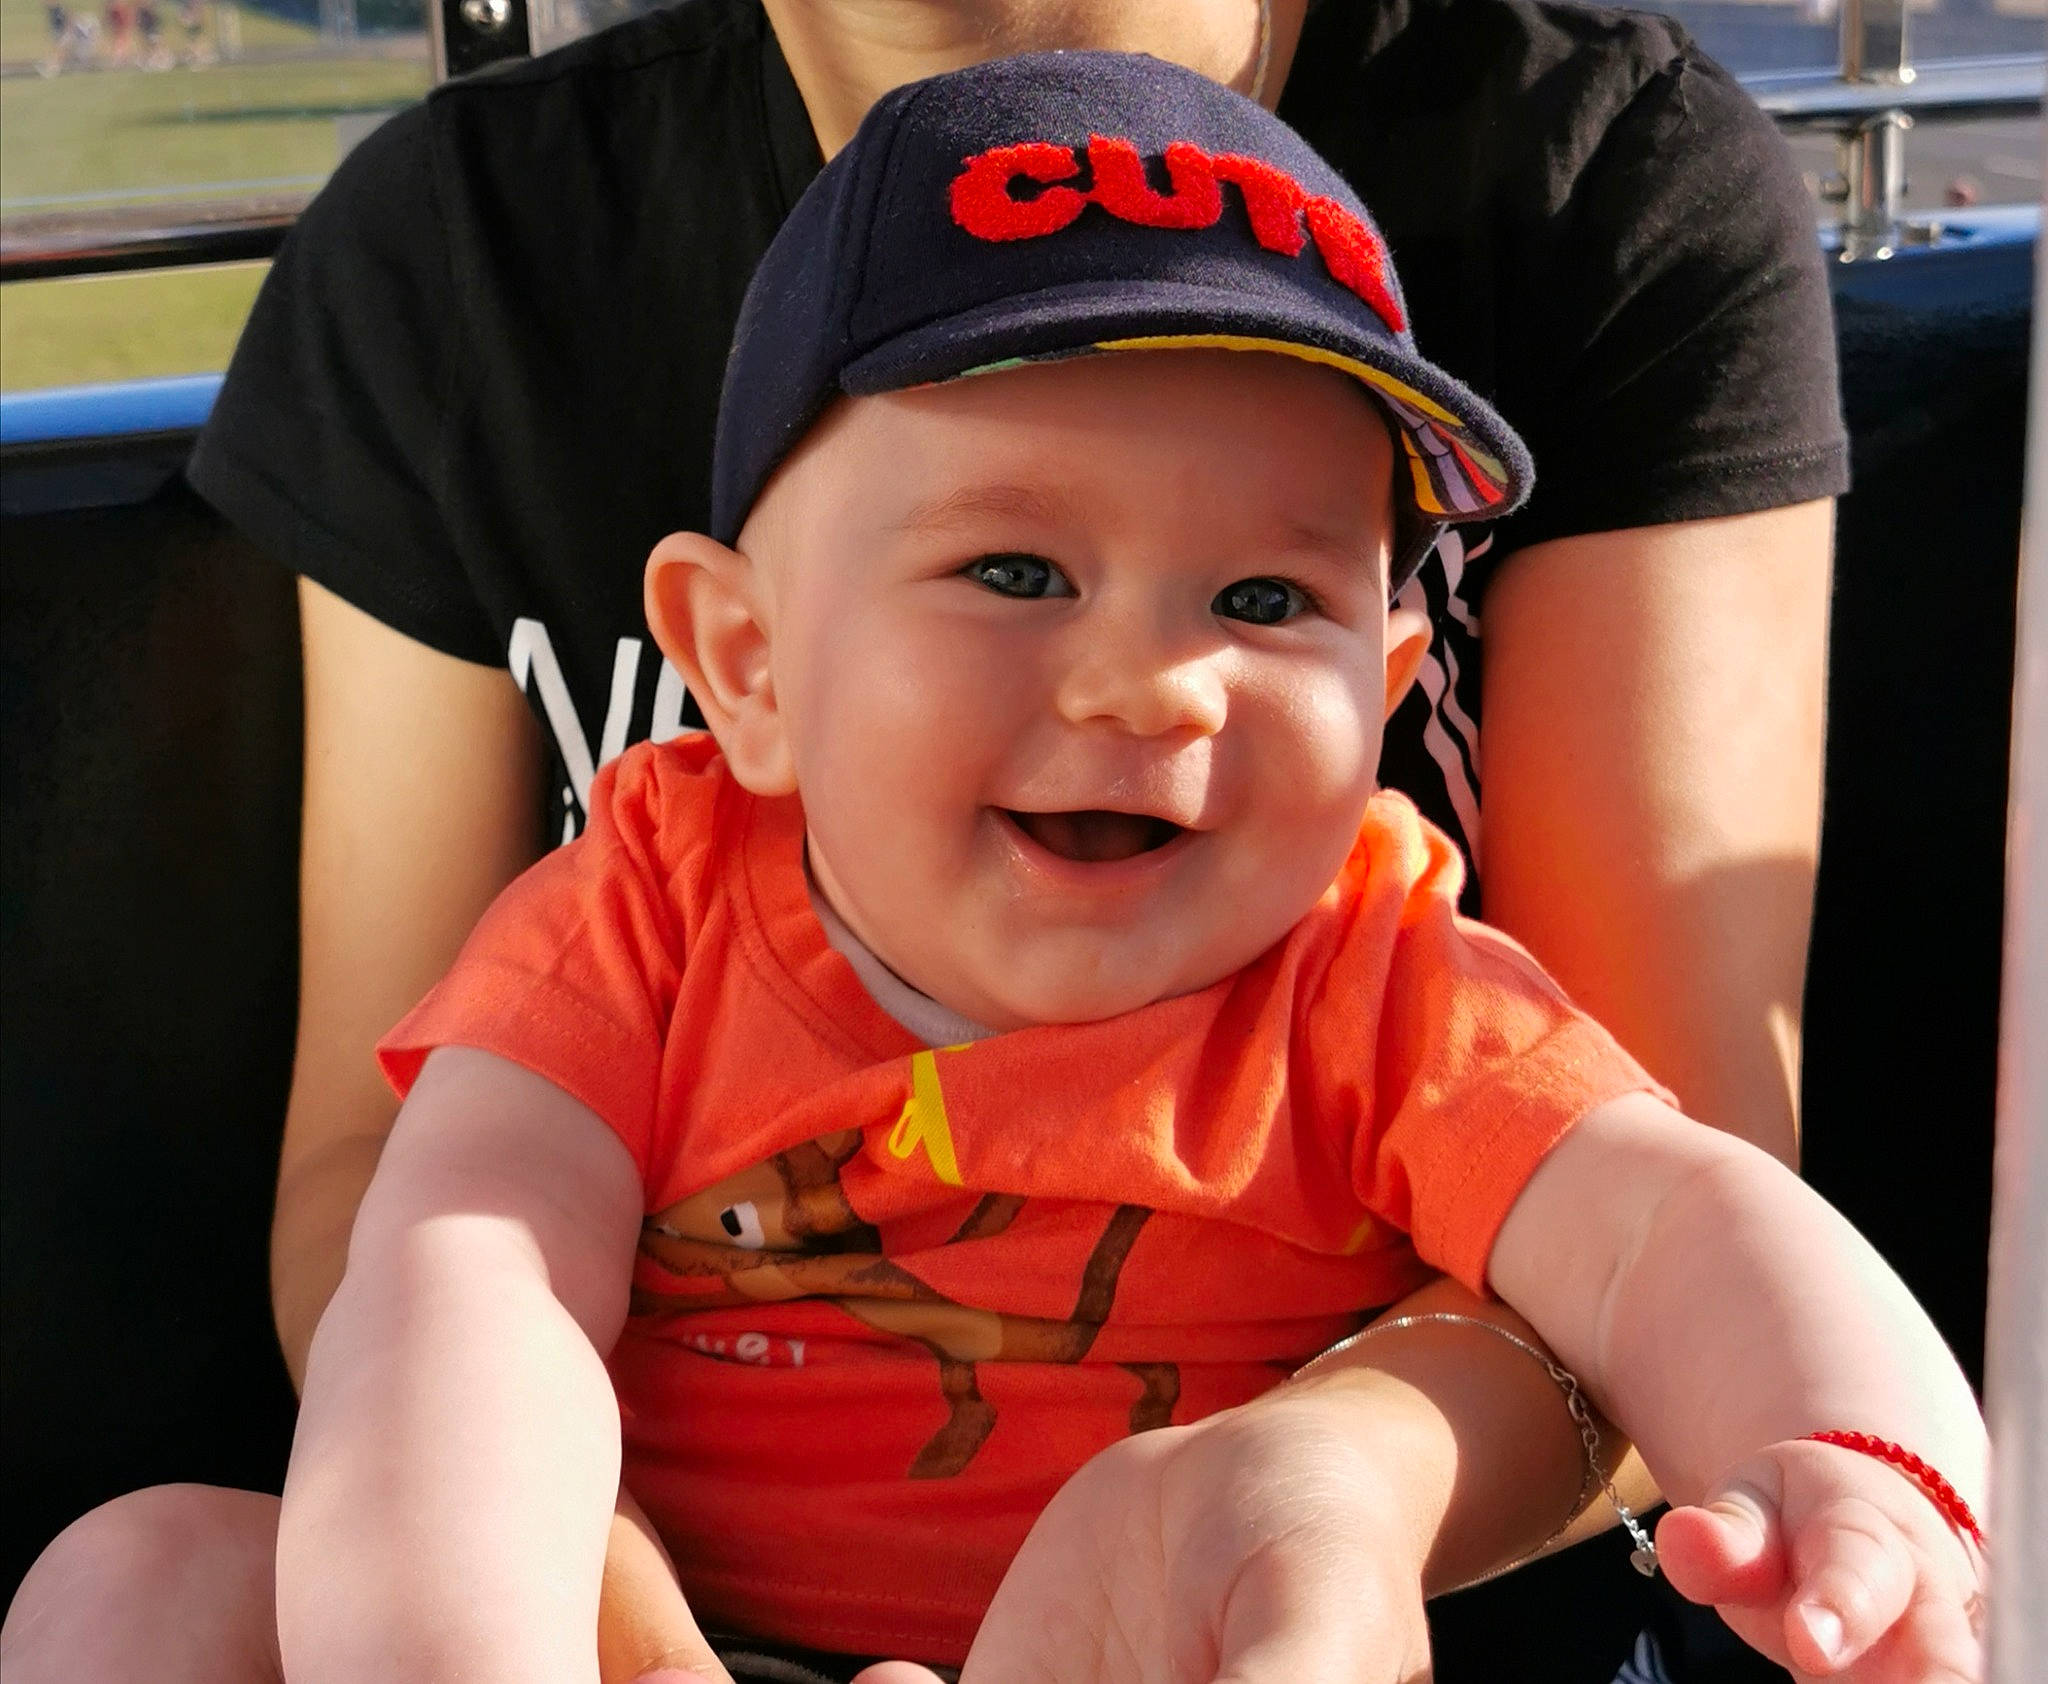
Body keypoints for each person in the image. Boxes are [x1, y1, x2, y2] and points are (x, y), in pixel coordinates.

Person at [44, 55, 1991, 1684]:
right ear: (746, 661)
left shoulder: (1377, 972)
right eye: (1015, 570)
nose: (1149, 677)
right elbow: (464, 1274)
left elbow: (1675, 1221)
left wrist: (1862, 1455)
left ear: (1390, 685)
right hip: (637, 1611)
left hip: (1200, 1624)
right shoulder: (646, 908)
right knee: (131, 1587)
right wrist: (500, 1637)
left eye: (1260, 595)